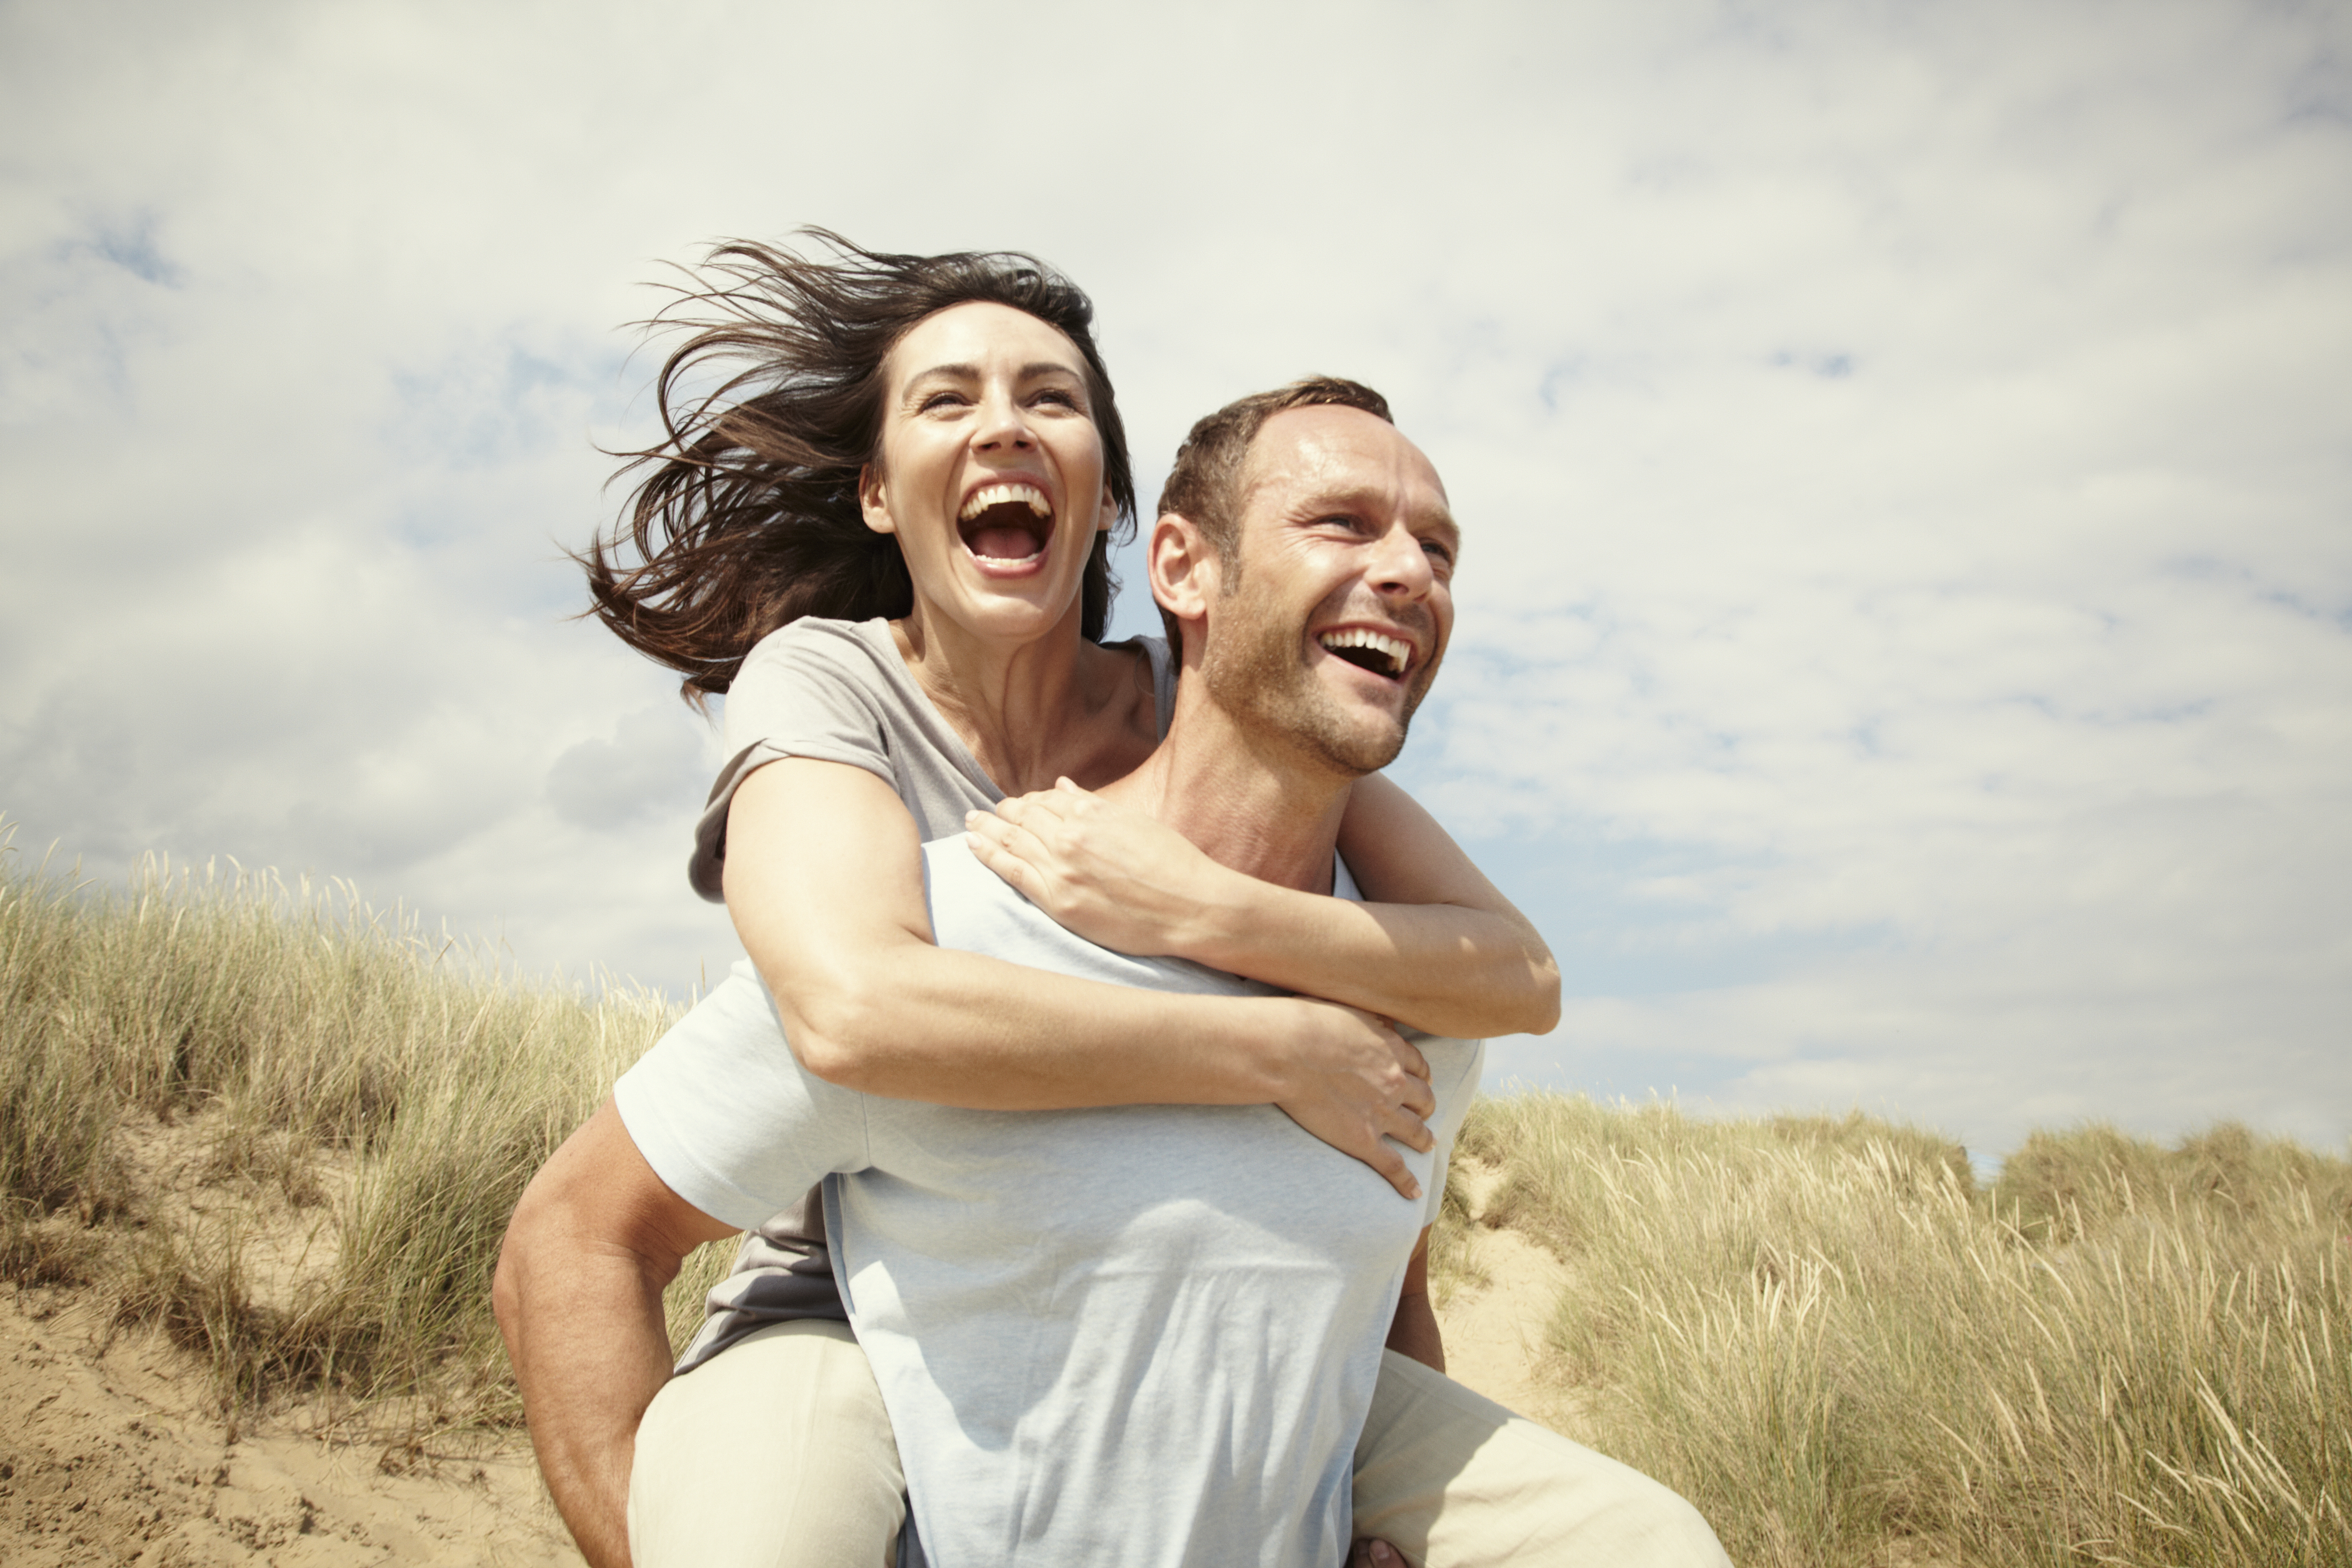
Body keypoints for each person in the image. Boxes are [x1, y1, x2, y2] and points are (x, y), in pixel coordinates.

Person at [499, 374, 1731, 1565]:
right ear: (1184, 569)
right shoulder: (945, 929)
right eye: (1342, 523)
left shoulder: (1421, 992)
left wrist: (1381, 1520)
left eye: (1440, 551)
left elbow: (1377, 1285)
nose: (1410, 572)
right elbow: (576, 1236)